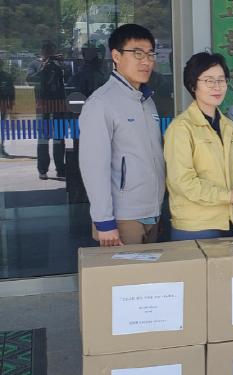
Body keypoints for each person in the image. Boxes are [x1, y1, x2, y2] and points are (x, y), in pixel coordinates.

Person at [79, 24, 165, 246]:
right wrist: (104, 221)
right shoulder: (101, 103)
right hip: (123, 219)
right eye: (137, 54)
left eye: (150, 54)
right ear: (116, 56)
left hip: (153, 212)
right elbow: (93, 167)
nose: (146, 61)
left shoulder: (147, 100)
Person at [163, 52, 233, 240]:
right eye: (209, 81)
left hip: (230, 222)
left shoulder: (228, 125)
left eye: (221, 80)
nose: (217, 86)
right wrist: (227, 196)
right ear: (193, 85)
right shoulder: (181, 128)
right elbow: (183, 182)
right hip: (196, 227)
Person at [27, 41, 66, 179]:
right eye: (46, 49)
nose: (49, 52)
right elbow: (29, 79)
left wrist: (62, 65)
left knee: (59, 138)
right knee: (43, 138)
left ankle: (60, 169)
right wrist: (43, 67)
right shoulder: (35, 64)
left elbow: (69, 78)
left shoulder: (58, 64)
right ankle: (42, 169)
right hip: (43, 106)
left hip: (58, 105)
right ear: (41, 50)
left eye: (51, 50)